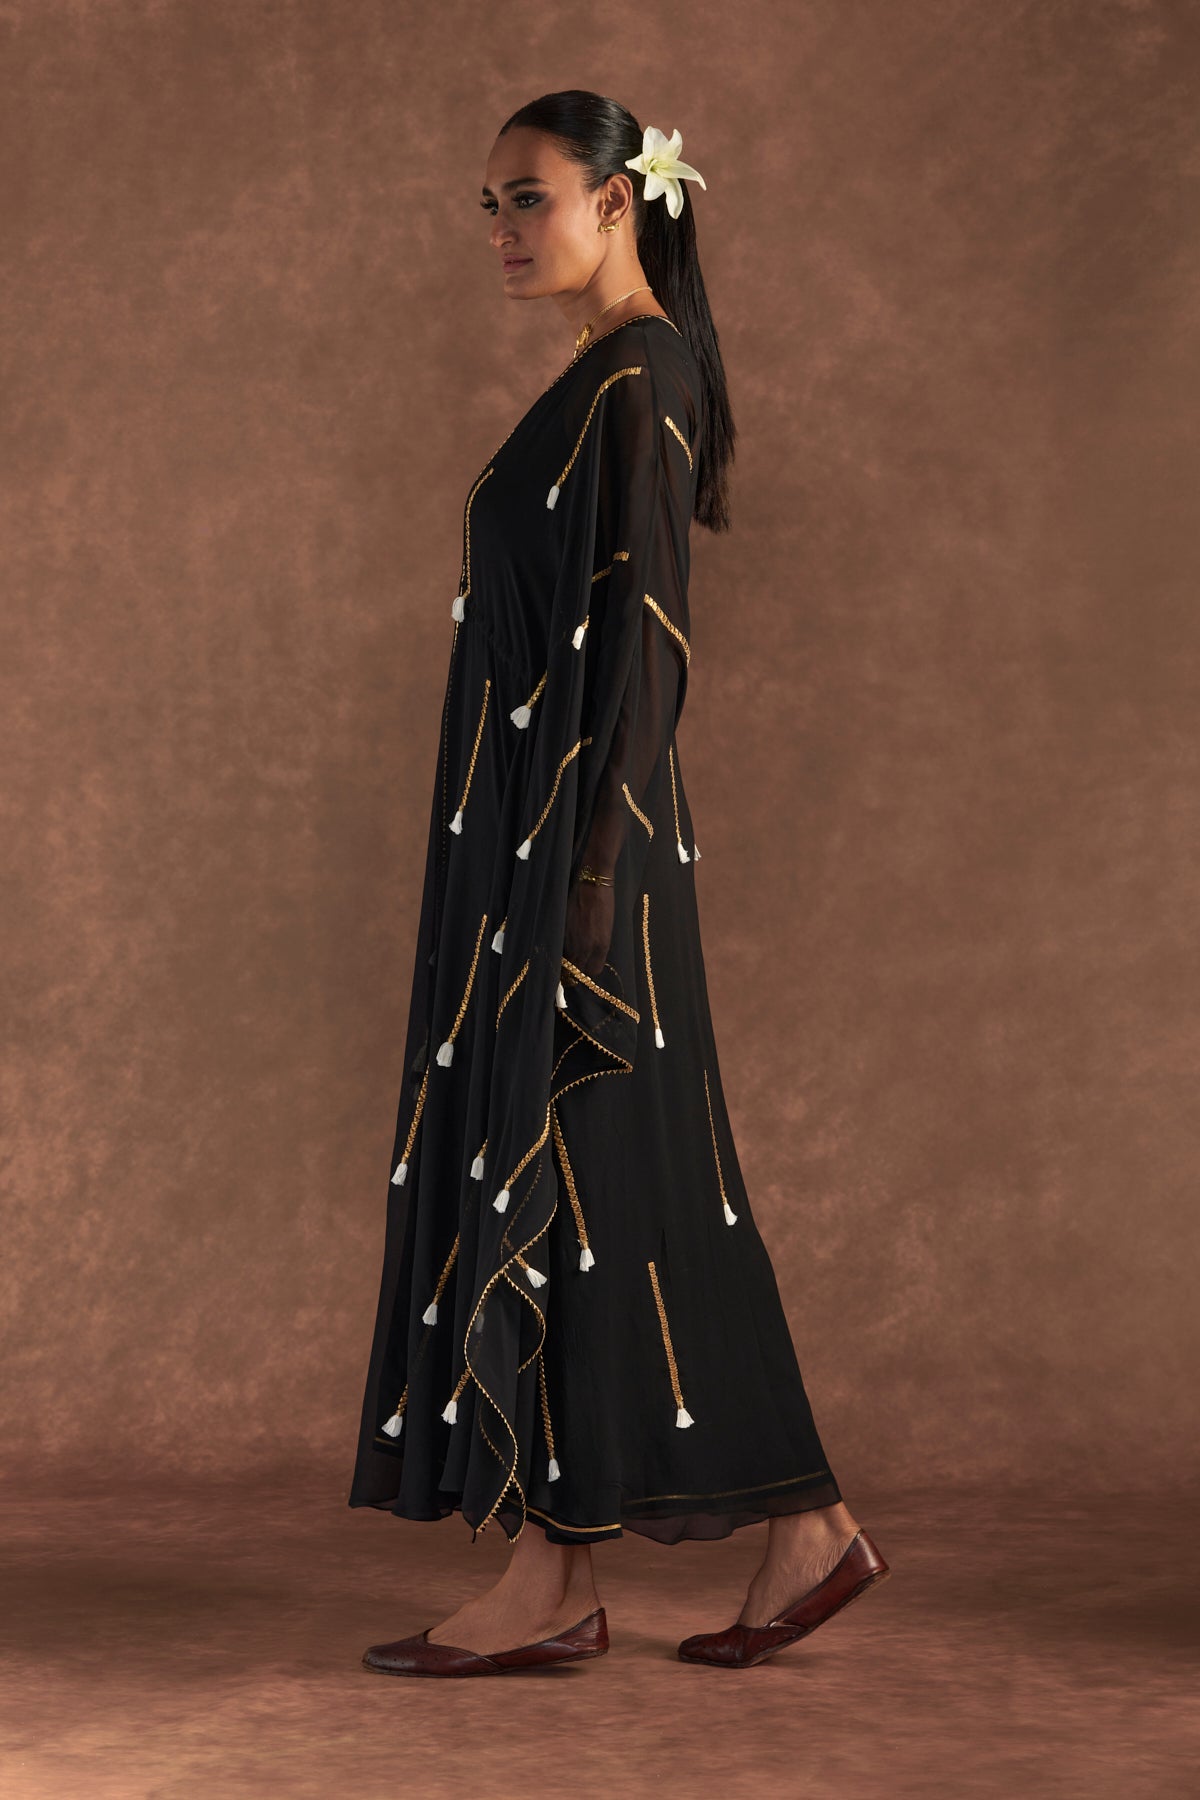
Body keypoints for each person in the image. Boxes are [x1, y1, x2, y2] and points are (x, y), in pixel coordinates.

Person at [348, 89, 890, 1677]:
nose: (503, 232)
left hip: (590, 855)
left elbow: (649, 639)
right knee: (615, 1189)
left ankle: (582, 1569)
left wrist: (589, 879)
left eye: (528, 198)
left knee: (596, 1172)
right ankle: (747, 1539)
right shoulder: (604, 377)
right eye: (490, 206)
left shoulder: (643, 378)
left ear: (617, 200)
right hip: (542, 841)